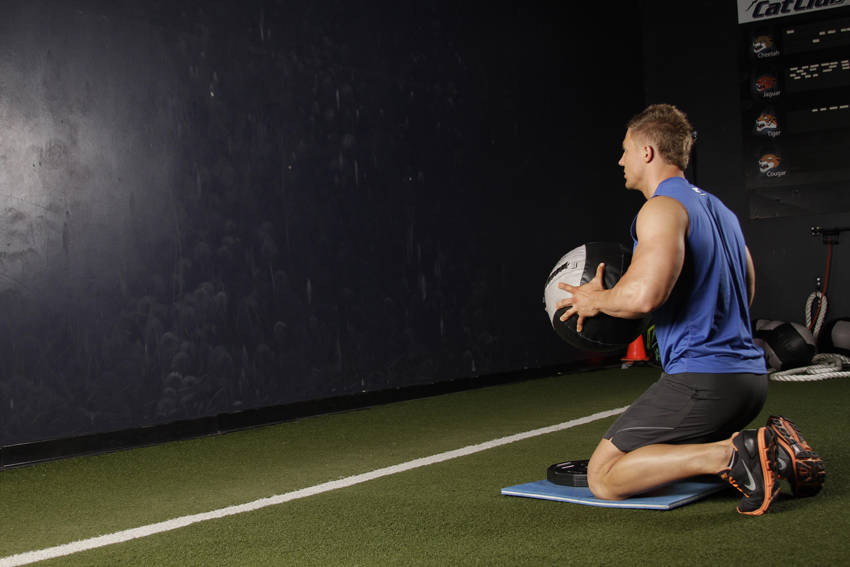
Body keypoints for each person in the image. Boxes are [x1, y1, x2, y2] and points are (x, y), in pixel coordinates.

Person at [556, 104, 824, 515]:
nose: (621, 160)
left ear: (647, 152)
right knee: (664, 462)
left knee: (604, 476)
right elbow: (746, 289)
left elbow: (644, 298)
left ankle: (736, 452)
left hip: (703, 381)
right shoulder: (721, 212)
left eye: (625, 150)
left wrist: (595, 299)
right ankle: (778, 453)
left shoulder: (660, 208)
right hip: (749, 381)